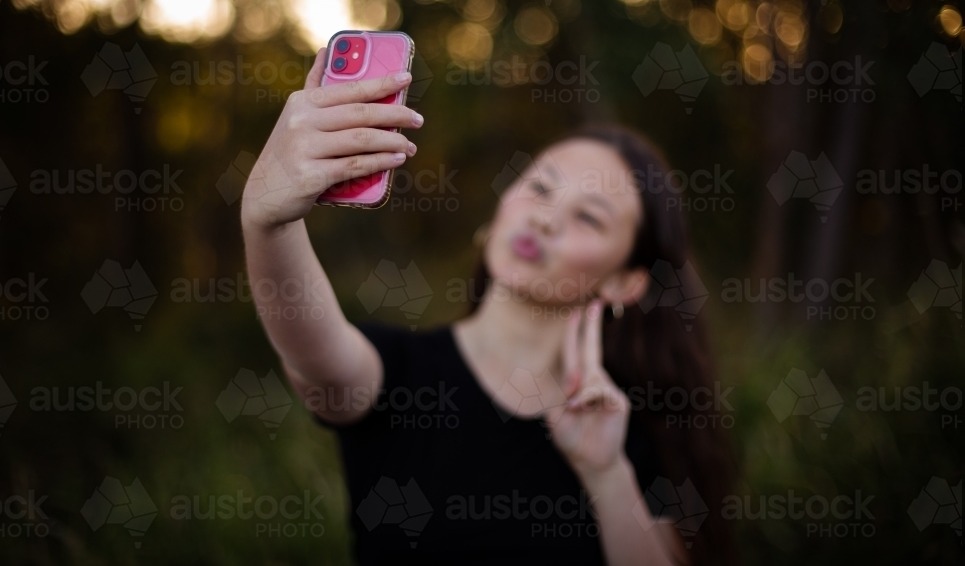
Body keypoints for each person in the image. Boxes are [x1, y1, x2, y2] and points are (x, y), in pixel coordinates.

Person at [241, 48, 735, 565]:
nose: (545, 220)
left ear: (626, 283)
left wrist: (606, 474)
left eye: (588, 217)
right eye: (541, 188)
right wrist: (269, 222)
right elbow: (311, 351)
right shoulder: (398, 375)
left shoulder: (636, 430)